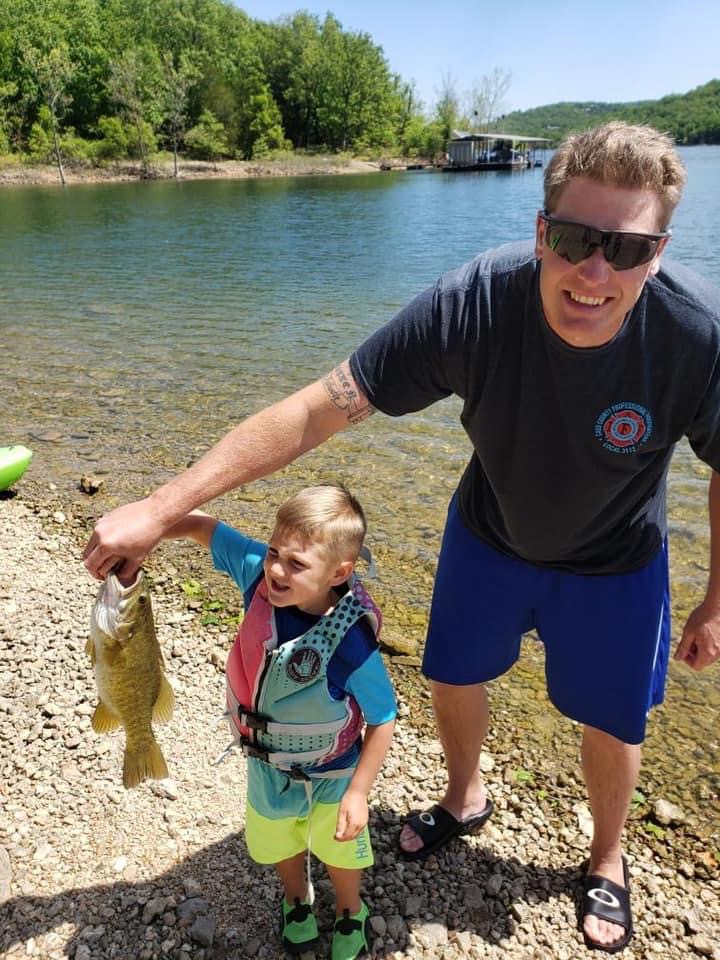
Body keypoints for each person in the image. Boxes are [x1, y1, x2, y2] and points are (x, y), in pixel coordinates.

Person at [83, 121, 720, 954]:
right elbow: (320, 407)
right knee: (454, 674)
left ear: (659, 252)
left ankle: (607, 858)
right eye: (573, 239)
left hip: (616, 561)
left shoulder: (694, 335)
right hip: (489, 534)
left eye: (627, 249)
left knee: (615, 717)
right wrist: (167, 507)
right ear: (541, 233)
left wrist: (714, 600)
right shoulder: (475, 303)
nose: (595, 272)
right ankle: (465, 796)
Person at [160, 484, 396, 959]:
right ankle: (296, 900)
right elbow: (204, 527)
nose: (275, 569)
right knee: (280, 839)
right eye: (273, 552)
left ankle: (351, 909)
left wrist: (359, 791)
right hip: (267, 764)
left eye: (296, 564)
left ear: (340, 572)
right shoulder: (257, 579)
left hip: (332, 770)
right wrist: (150, 527)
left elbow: (384, 716)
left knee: (339, 849)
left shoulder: (351, 644)